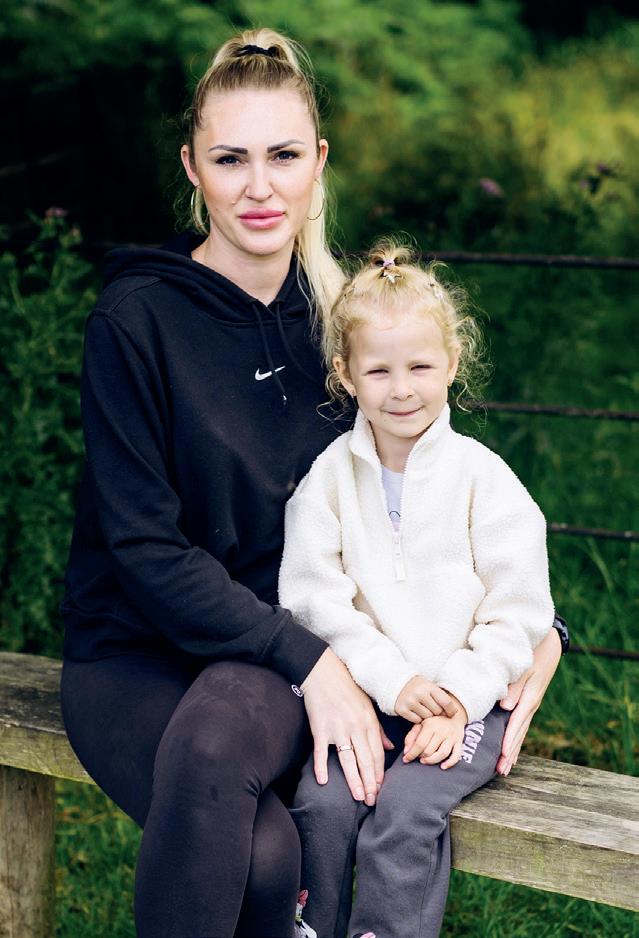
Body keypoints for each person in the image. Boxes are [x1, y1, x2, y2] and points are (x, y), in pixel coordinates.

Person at [59, 26, 565, 938]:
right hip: (141, 654)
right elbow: (142, 549)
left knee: (256, 827)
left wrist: (539, 631)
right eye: (230, 159)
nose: (259, 186)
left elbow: (439, 499)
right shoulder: (135, 321)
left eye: (283, 156)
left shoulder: (346, 324)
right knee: (259, 856)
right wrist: (312, 663)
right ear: (193, 168)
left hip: (284, 656)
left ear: (318, 162)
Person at [279, 242, 557, 938]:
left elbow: (518, 609)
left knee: (403, 814)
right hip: (369, 695)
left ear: (452, 364)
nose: (401, 389)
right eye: (378, 370)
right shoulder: (328, 481)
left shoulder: (484, 479)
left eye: (420, 367)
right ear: (345, 375)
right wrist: (390, 681)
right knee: (322, 804)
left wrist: (457, 698)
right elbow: (312, 599)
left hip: (470, 701)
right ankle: (308, 928)